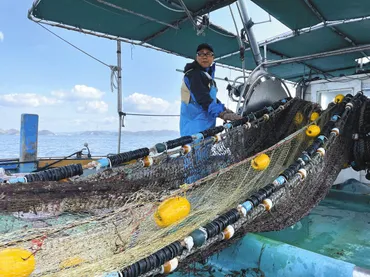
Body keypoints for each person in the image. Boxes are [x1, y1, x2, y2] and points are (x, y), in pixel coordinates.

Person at [180, 43, 243, 137]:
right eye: (201, 54)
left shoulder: (206, 76)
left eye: (208, 54)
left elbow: (211, 98)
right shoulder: (194, 75)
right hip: (194, 129)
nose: (204, 57)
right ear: (196, 57)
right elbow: (203, 98)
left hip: (206, 126)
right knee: (195, 151)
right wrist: (222, 114)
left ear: (213, 58)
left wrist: (224, 109)